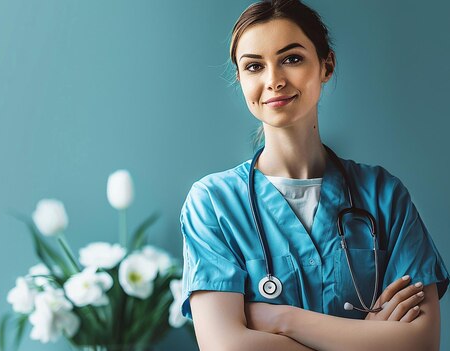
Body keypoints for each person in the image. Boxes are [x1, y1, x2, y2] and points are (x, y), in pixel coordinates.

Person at [179, 0, 450, 350]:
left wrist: (282, 320)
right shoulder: (213, 203)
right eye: (254, 66)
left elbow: (421, 342)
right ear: (241, 80)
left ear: (326, 65)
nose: (273, 80)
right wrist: (370, 338)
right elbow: (226, 346)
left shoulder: (384, 195)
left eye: (291, 59)